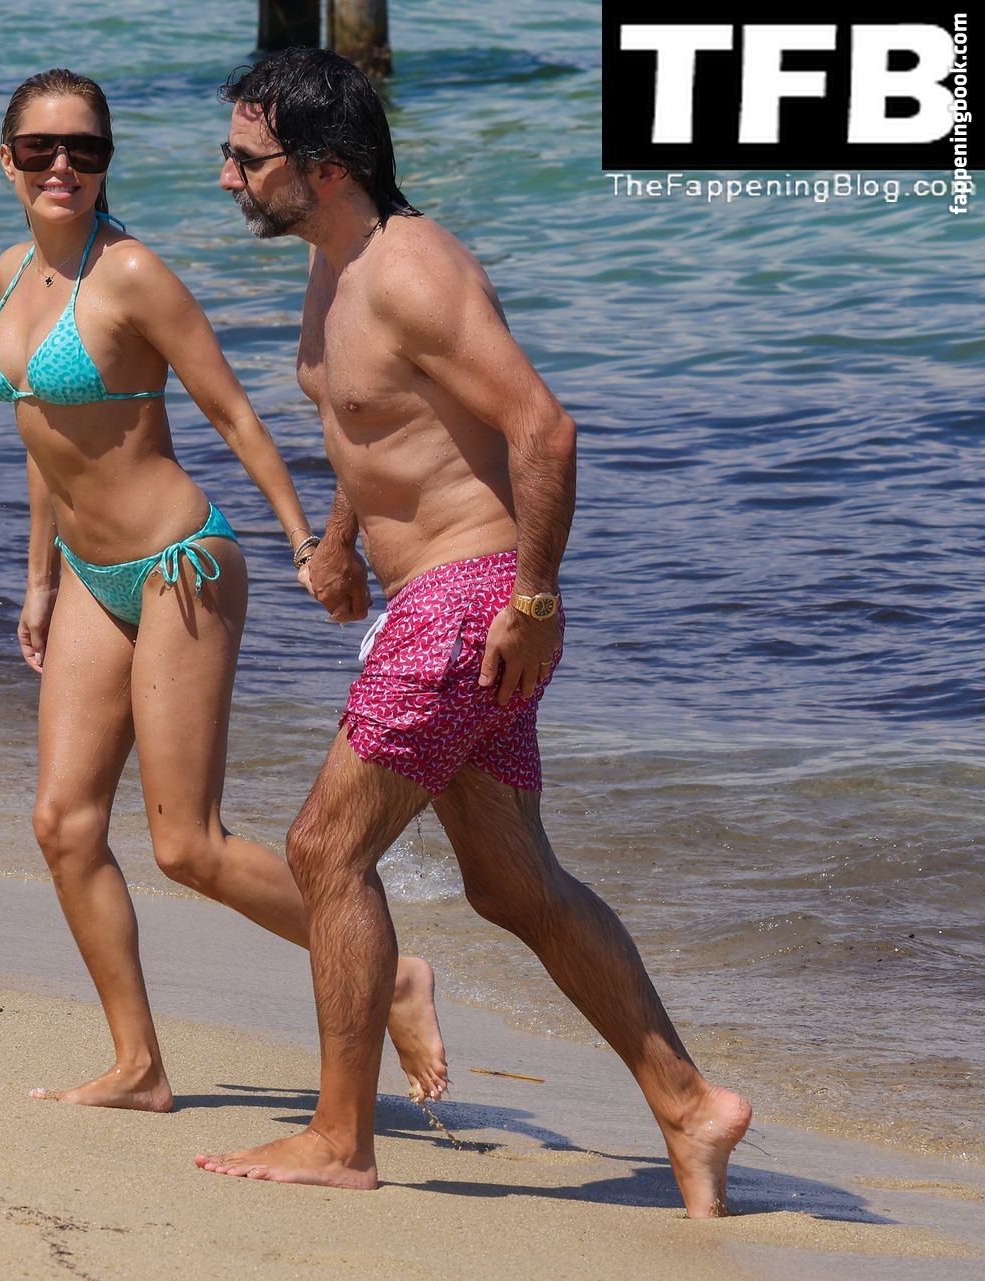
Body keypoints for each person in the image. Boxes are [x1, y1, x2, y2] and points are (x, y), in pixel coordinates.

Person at [190, 49, 752, 1217]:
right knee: (513, 884)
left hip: (469, 605)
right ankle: (690, 1105)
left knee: (324, 850)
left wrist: (534, 599)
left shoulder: (412, 271)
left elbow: (543, 427)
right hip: (438, 603)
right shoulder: (335, 262)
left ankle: (341, 1137)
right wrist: (341, 540)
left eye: (247, 159)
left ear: (324, 167)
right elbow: (382, 425)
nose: (228, 177)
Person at [0, 68, 448, 1113]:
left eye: (85, 150)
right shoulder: (12, 272)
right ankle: (139, 1066)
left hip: (177, 567)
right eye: (41, 149)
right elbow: (42, 435)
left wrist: (305, 542)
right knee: (63, 823)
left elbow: (234, 413)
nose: (62, 167)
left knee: (187, 844)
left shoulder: (133, 273)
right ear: (7, 159)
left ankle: (393, 976)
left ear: (106, 163)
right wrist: (39, 579)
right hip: (89, 574)